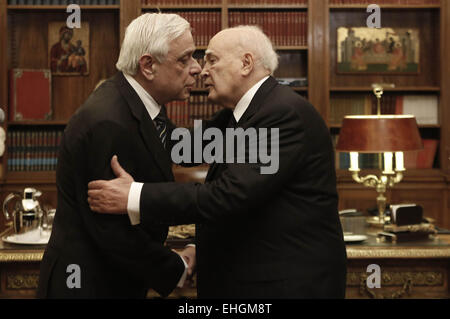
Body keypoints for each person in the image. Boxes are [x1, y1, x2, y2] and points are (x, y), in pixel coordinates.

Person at [88, 26, 347, 299]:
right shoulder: (240, 114)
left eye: (212, 59)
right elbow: (179, 148)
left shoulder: (282, 115)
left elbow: (228, 196)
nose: (202, 70)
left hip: (284, 286)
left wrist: (133, 196)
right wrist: (138, 98)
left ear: (246, 63)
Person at [38, 13, 208, 298]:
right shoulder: (109, 121)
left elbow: (180, 146)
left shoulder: (139, 104)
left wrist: (245, 129)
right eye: (184, 59)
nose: (197, 68)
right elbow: (112, 231)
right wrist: (175, 268)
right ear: (148, 65)